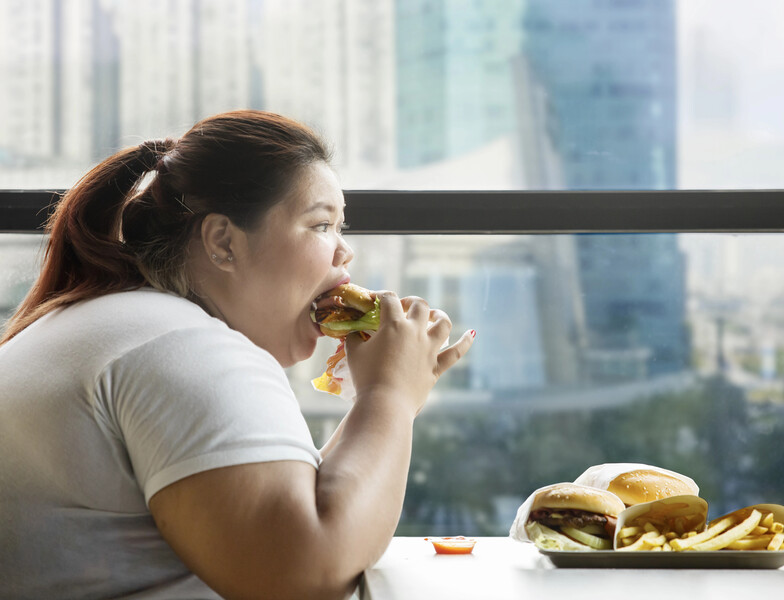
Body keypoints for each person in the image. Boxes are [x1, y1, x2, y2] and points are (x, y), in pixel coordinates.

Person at [0, 110, 474, 600]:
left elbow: (289, 514)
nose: (344, 253)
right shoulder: (182, 346)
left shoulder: (123, 324)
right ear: (223, 242)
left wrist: (391, 399)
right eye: (321, 224)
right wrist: (389, 397)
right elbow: (303, 576)